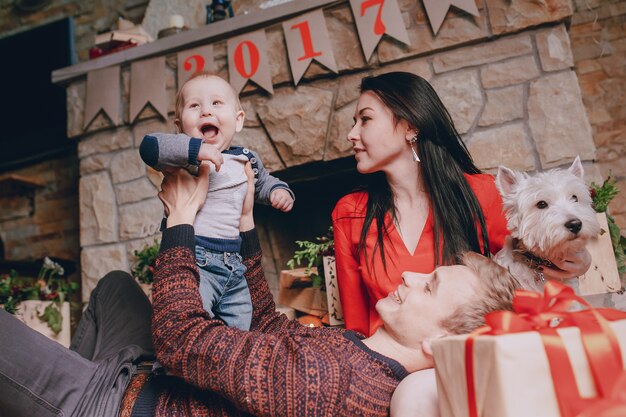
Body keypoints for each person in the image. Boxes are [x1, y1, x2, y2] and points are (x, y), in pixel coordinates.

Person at [0, 163, 520, 417]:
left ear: (438, 347)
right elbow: (268, 330)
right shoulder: (359, 354)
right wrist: (247, 226)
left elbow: (182, 339)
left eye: (427, 287)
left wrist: (180, 220)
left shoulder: (328, 381)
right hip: (140, 378)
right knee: (115, 287)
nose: (408, 275)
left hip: (115, 407)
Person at [332, 71, 591, 337]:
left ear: (410, 125)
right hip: (392, 367)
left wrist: (577, 260)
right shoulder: (349, 213)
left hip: (471, 355)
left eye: (365, 119)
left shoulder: (482, 193)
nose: (352, 134)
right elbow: (357, 322)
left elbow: (530, 259)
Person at [139, 71, 294, 330]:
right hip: (195, 259)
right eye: (194, 105)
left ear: (238, 119)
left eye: (216, 103)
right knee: (193, 321)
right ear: (179, 127)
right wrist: (195, 149)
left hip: (234, 263)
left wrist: (279, 192)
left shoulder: (246, 159)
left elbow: (264, 182)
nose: (206, 112)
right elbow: (149, 146)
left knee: (242, 326)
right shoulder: (186, 157)